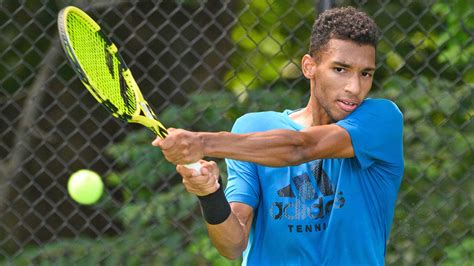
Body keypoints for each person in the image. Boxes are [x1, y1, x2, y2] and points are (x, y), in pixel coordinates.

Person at [153, 6, 404, 265]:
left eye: (366, 73)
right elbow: (232, 246)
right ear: (309, 67)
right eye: (340, 69)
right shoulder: (253, 129)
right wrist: (210, 194)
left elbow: (301, 148)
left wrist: (203, 142)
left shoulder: (381, 120)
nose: (354, 87)